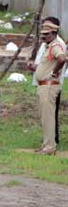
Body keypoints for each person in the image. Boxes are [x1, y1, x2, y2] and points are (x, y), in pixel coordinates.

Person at [29, 19, 66, 154]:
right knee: (45, 118)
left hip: (49, 86)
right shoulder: (48, 46)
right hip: (44, 86)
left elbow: (62, 59)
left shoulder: (56, 45)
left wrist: (54, 72)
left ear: (54, 33)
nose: (44, 36)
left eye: (47, 34)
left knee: (48, 118)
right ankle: (47, 145)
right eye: (43, 34)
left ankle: (49, 147)